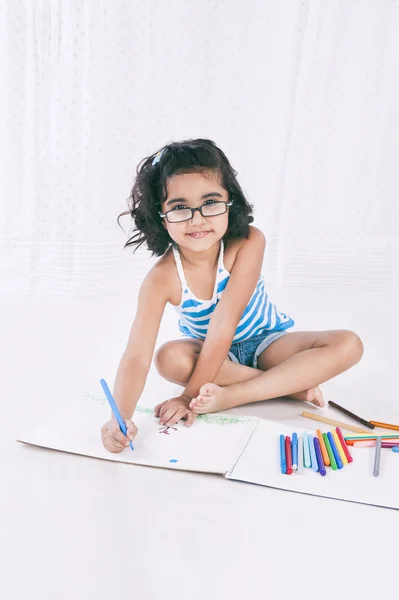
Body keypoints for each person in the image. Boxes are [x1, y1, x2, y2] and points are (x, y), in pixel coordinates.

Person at [101, 138, 364, 453]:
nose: (197, 219)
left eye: (210, 202)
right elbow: (136, 355)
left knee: (348, 344)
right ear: (160, 215)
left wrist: (190, 397)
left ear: (230, 202)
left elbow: (225, 324)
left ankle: (236, 394)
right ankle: (288, 386)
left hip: (267, 342)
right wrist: (120, 417)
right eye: (180, 207)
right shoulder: (161, 279)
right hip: (215, 358)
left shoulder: (249, 242)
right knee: (167, 358)